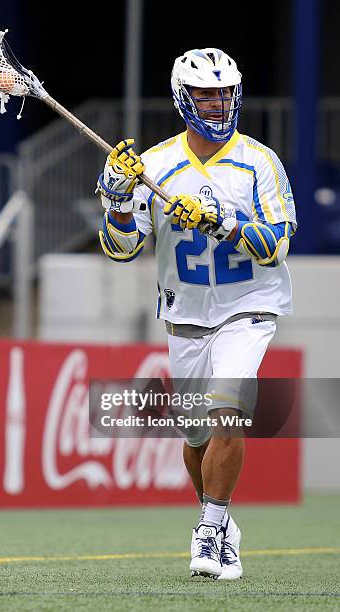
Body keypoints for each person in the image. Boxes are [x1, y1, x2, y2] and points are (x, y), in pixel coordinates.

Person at [96, 48, 297, 580]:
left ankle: (209, 529)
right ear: (184, 96)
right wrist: (117, 201)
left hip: (247, 307)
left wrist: (222, 224)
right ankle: (220, 521)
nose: (218, 101)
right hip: (185, 314)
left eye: (225, 91)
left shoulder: (259, 161)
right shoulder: (156, 165)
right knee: (195, 436)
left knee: (228, 406)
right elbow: (121, 249)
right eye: (207, 92)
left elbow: (277, 241)